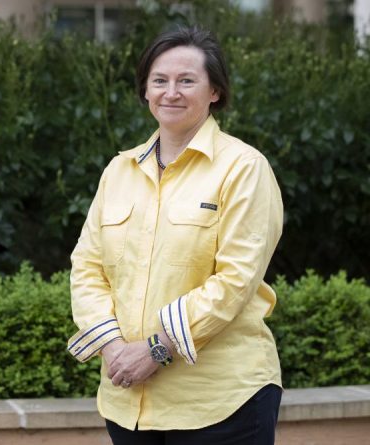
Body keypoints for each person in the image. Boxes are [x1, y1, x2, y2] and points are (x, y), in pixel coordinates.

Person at [67, 26, 284, 444]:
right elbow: (87, 266)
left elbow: (236, 280)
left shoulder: (243, 168)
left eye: (187, 81)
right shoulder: (119, 171)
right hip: (128, 398)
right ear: (145, 91)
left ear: (215, 91)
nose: (171, 92)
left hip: (221, 401)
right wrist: (113, 348)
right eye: (159, 81)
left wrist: (155, 350)